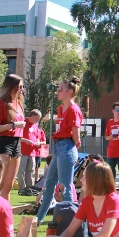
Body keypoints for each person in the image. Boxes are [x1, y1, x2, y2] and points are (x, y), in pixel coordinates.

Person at [43, 161, 119, 237]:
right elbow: (70, 230)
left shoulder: (114, 200)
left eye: (85, 177)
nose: (81, 180)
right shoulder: (87, 201)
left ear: (96, 180)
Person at [36, 77, 83, 223]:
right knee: (50, 184)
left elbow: (76, 132)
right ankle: (38, 219)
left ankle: (71, 221)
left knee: (64, 186)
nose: (57, 91)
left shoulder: (73, 109)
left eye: (60, 89)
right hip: (58, 147)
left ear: (69, 92)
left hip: (67, 147)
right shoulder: (61, 108)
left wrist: (76, 142)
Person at [0, 74, 27, 201]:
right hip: (3, 143)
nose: (22, 89)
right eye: (19, 87)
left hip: (16, 143)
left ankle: (5, 217)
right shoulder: (1, 104)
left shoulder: (19, 103)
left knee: (8, 186)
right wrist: (13, 124)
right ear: (11, 87)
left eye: (22, 86)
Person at [17, 109, 43, 195]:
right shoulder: (23, 122)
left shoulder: (35, 125)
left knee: (31, 170)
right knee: (21, 171)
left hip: (32, 152)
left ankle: (29, 188)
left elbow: (37, 136)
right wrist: (25, 141)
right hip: (22, 151)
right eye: (36, 118)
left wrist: (38, 142)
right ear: (31, 116)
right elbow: (17, 136)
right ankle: (22, 188)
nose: (37, 120)